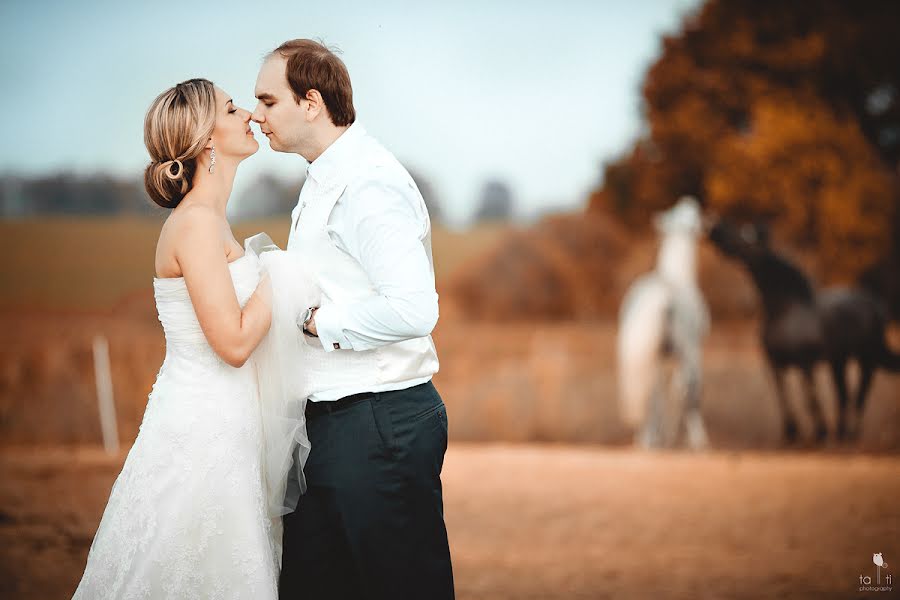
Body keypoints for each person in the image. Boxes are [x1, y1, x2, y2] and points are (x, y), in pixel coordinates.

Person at [73, 78, 314, 598]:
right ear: (207, 139)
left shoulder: (213, 222)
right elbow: (232, 344)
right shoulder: (197, 225)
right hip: (204, 432)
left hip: (228, 425)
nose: (248, 113)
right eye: (231, 108)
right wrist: (285, 272)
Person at [252, 39, 454, 599]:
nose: (256, 115)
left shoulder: (369, 183)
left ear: (311, 101)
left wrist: (317, 323)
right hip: (330, 422)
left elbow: (415, 308)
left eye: (268, 101)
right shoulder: (323, 178)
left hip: (379, 420)